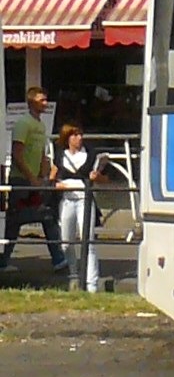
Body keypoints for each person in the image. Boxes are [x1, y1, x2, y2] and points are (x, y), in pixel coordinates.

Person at [1, 87, 65, 276]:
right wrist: (31, 179)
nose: (45, 103)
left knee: (46, 216)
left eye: (46, 100)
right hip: (22, 180)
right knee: (15, 221)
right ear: (31, 102)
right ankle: (3, 260)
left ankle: (58, 260)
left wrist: (44, 174)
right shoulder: (23, 124)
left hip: (35, 180)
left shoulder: (41, 126)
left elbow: (42, 154)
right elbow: (17, 154)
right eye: (41, 100)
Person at [53, 124, 108, 292]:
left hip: (84, 199)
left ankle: (92, 284)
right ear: (67, 138)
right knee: (66, 242)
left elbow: (104, 179)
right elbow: (51, 177)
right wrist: (57, 185)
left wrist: (97, 177)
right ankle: (74, 275)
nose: (79, 138)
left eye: (80, 134)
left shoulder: (91, 154)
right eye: (75, 135)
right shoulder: (60, 155)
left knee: (88, 240)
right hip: (67, 200)